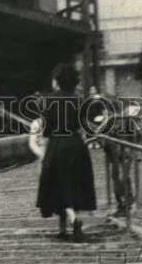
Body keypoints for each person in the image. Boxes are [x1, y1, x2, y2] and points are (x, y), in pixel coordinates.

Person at [29, 63, 96, 242]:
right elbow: (84, 127)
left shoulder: (48, 100)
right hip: (76, 145)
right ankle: (62, 228)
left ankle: (73, 222)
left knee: (57, 184)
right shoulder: (79, 100)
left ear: (57, 81)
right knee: (72, 183)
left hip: (57, 145)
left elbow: (47, 130)